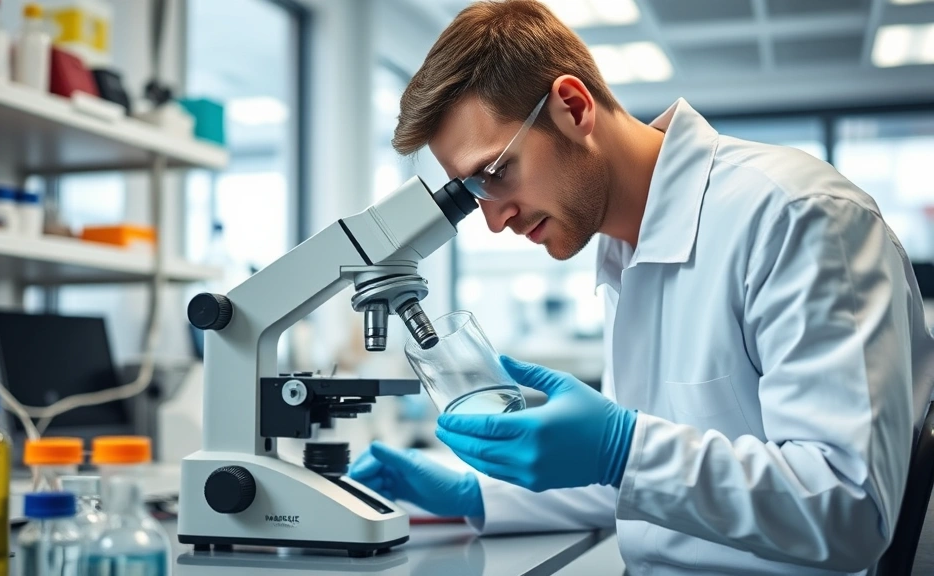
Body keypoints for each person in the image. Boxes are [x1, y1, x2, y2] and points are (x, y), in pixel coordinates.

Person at [348, 1, 934, 574]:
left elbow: (850, 508)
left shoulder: (797, 218)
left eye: (494, 172)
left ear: (573, 107)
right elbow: (640, 487)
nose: (495, 219)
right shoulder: (622, 253)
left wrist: (622, 447)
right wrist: (476, 496)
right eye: (472, 192)